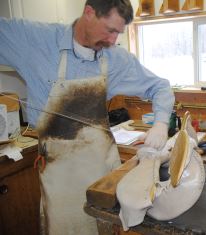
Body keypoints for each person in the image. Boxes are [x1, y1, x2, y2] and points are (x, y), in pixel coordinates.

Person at [0, 0, 175, 234]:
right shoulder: (34, 40)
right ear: (89, 13)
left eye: (119, 33)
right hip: (59, 175)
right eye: (110, 30)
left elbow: (160, 87)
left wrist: (161, 123)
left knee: (105, 227)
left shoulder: (115, 58)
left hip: (103, 170)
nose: (114, 40)